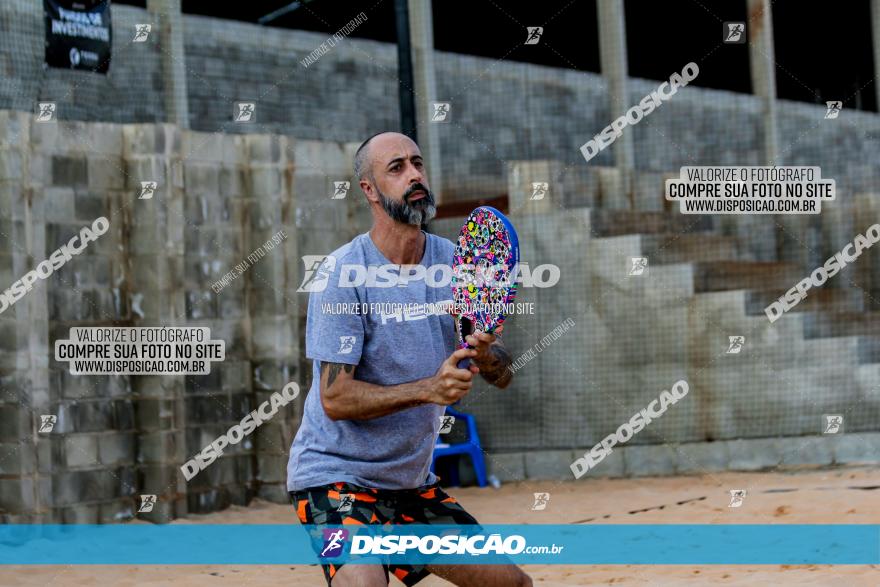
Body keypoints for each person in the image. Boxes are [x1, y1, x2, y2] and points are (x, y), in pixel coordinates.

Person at [288, 132, 530, 586]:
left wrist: (487, 355)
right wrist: (428, 390)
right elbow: (335, 399)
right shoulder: (342, 275)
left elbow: (502, 373)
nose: (414, 174)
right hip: (334, 479)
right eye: (396, 168)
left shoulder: (457, 266)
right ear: (369, 190)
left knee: (512, 584)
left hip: (409, 485)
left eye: (417, 163)